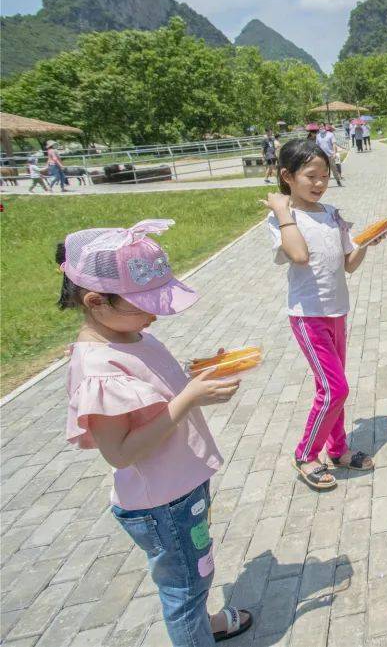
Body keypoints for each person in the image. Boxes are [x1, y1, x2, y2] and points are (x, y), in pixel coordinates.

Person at [61, 219, 253, 645]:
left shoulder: (128, 335)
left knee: (196, 569)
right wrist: (189, 399)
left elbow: (150, 388)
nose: (153, 313)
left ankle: (203, 623)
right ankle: (195, 630)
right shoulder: (97, 367)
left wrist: (198, 372)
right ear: (95, 301)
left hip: (179, 489)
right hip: (162, 505)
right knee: (184, 587)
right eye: (143, 303)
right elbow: (121, 452)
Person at [263, 139, 386, 490]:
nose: (319, 184)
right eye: (310, 176)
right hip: (308, 316)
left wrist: (364, 243)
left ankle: (339, 449)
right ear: (287, 176)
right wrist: (283, 210)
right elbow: (299, 255)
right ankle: (306, 453)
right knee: (335, 388)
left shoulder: (331, 213)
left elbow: (348, 265)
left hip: (337, 312)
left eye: (324, 176)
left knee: (333, 388)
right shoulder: (282, 219)